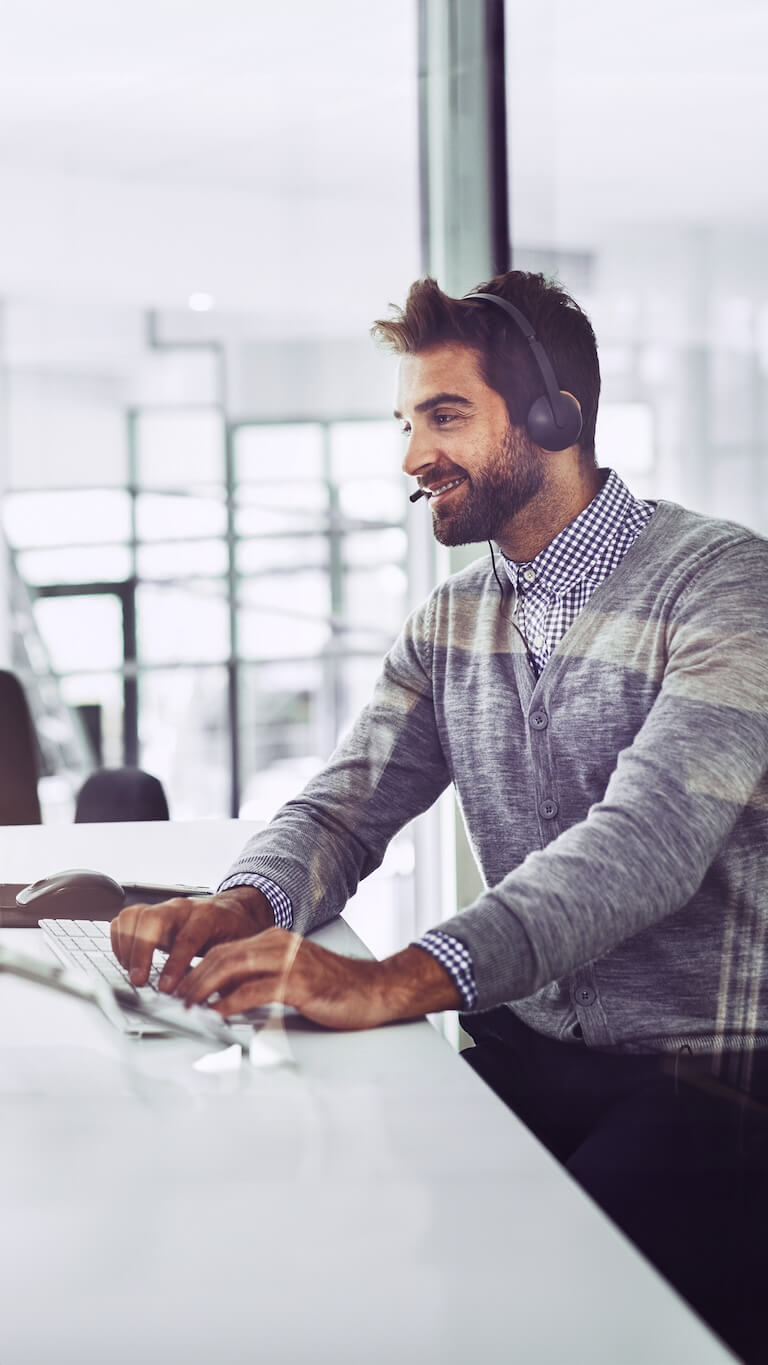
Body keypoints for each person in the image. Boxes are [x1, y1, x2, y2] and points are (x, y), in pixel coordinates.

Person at [112, 271, 768, 1360]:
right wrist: (236, 904)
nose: (414, 456)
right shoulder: (453, 621)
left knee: (533, 1322)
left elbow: (642, 843)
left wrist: (391, 978)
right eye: (408, 422)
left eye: (446, 416)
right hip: (525, 1058)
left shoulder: (728, 588)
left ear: (554, 417)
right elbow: (343, 806)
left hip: (708, 1085)